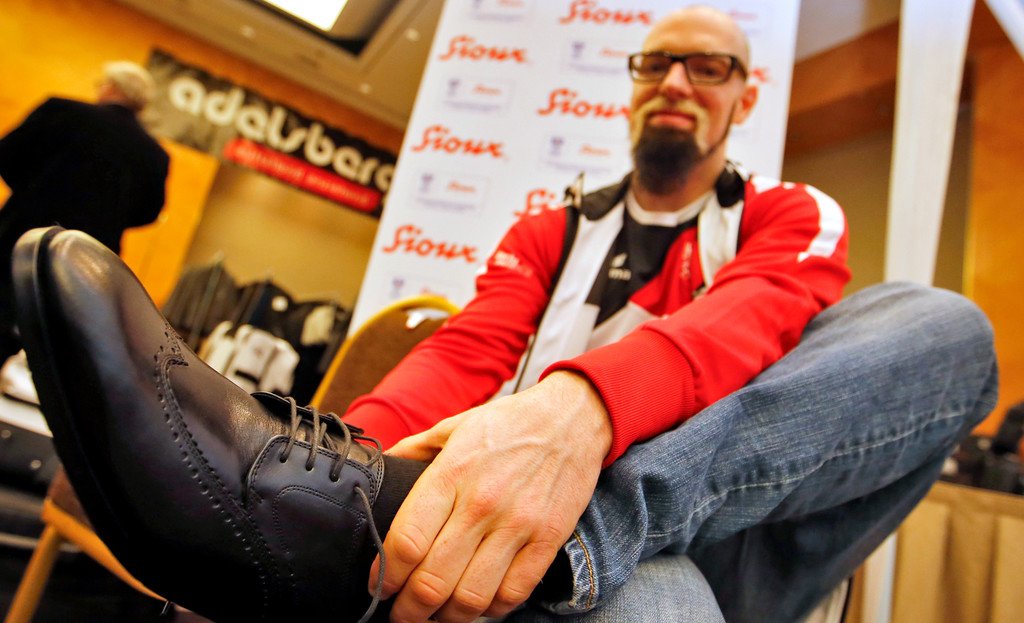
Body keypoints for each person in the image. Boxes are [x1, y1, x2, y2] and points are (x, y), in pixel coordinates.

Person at [9, 6, 997, 623]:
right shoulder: (550, 227)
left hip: (714, 534)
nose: (677, 83)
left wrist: (576, 418)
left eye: (708, 68)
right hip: (520, 543)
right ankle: (355, 528)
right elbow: (467, 351)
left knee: (942, 327)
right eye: (657, 64)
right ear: (632, 88)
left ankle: (569, 535)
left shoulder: (788, 214)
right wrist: (308, 496)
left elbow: (743, 321)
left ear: (743, 96)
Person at [0, 61, 170, 362]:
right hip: (85, 263)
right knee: (50, 347)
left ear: (111, 87)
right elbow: (148, 211)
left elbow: (7, 155)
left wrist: (33, 189)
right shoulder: (154, 154)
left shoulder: (61, 111)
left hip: (22, 237)